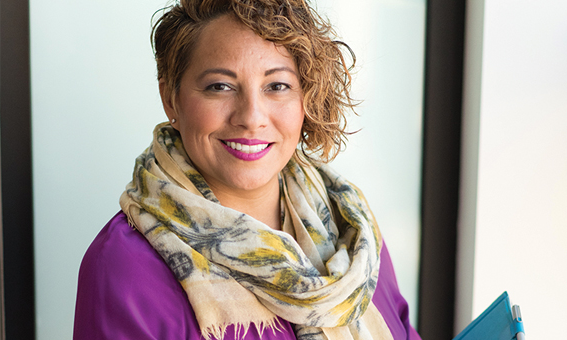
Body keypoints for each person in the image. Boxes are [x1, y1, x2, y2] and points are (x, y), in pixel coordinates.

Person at [73, 0, 422, 339]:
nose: (251, 117)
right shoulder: (124, 267)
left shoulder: (351, 225)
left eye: (277, 86)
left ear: (306, 98)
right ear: (171, 99)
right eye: (220, 86)